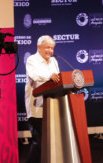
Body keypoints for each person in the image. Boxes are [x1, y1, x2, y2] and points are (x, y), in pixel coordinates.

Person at [25, 35, 60, 163]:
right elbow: (34, 76)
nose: (50, 51)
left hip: (52, 106)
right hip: (37, 108)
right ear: (39, 47)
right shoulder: (32, 60)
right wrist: (49, 76)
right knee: (38, 142)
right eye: (47, 48)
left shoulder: (54, 61)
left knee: (51, 142)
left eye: (52, 48)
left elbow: (57, 81)